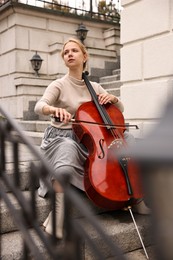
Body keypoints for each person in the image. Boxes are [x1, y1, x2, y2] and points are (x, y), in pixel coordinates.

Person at [34, 38, 150, 239]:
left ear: (84, 56)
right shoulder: (59, 84)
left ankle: (137, 198)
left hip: (89, 139)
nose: (69, 54)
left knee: (128, 139)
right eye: (66, 52)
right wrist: (53, 109)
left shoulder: (95, 87)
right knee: (68, 148)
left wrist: (113, 99)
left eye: (74, 51)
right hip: (61, 137)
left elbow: (119, 109)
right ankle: (58, 214)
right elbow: (39, 106)